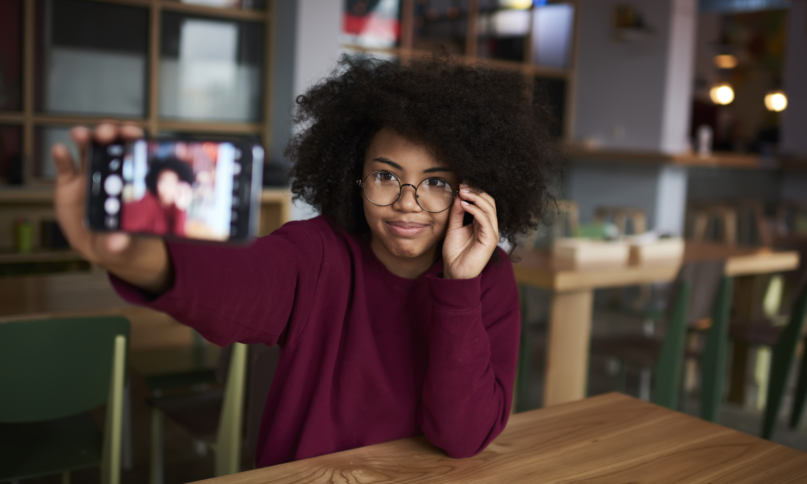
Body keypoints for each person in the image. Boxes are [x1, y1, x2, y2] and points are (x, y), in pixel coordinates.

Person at [52, 55, 559, 468]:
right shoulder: (316, 254)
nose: (408, 202)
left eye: (436, 183)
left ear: (469, 194)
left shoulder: (487, 278)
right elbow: (234, 284)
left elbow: (463, 436)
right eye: (386, 176)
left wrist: (458, 289)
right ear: (354, 177)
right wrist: (139, 255)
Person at [121, 157, 195, 237]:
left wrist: (181, 209)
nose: (165, 188)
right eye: (162, 181)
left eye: (171, 183)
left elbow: (179, 243)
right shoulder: (149, 203)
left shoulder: (176, 209)